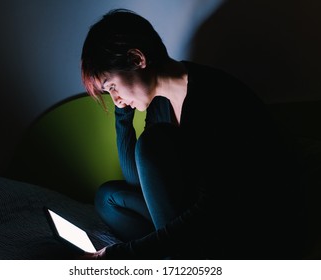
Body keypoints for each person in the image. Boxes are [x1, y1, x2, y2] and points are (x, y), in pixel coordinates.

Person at [80, 8, 305, 260]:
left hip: (241, 224)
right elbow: (138, 182)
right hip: (195, 213)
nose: (116, 99)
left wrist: (121, 254)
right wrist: (123, 114)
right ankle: (170, 249)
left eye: (112, 87)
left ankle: (177, 257)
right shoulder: (159, 105)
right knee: (108, 199)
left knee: (151, 145)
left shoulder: (214, 98)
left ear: (136, 59)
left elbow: (214, 209)